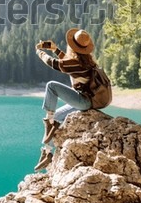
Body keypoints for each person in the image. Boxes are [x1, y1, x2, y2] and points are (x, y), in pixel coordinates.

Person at [34, 28, 98, 172]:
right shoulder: (87, 62)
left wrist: (40, 52)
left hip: (83, 101)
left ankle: (49, 123)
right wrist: (55, 49)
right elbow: (68, 61)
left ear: (72, 47)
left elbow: (54, 63)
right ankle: (47, 152)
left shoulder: (77, 64)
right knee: (56, 117)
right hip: (87, 101)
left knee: (51, 86)